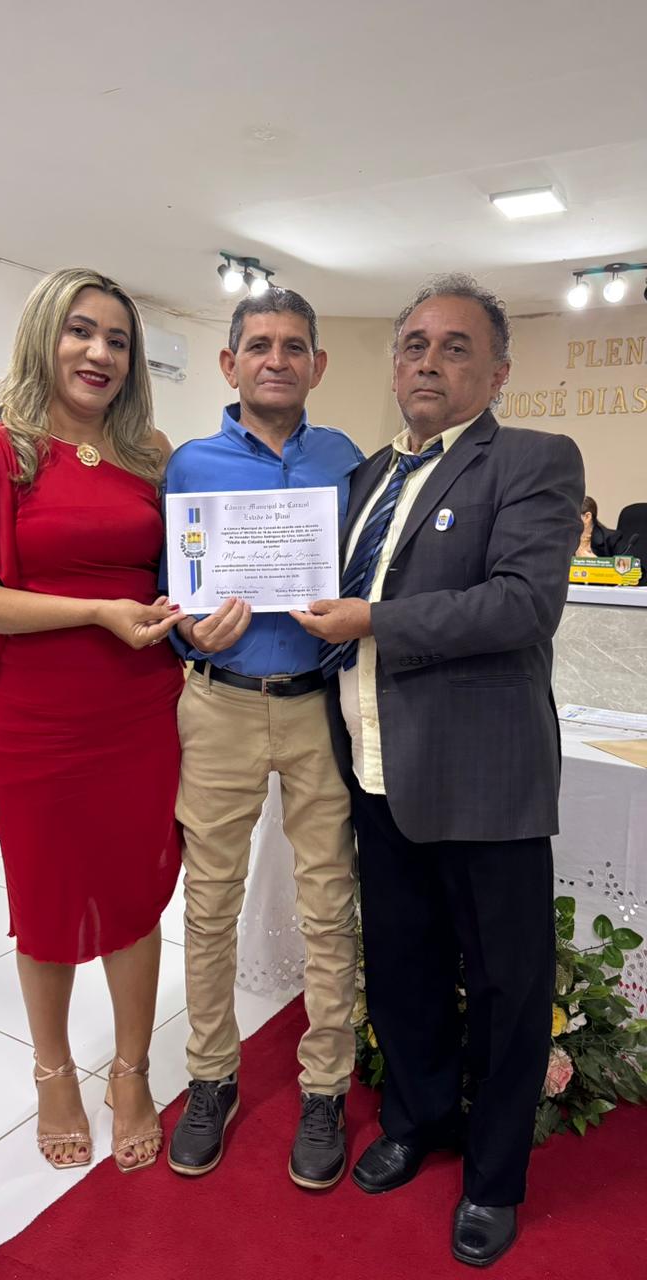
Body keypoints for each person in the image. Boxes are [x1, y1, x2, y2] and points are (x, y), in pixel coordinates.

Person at [292, 274, 584, 1265]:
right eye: (414, 344)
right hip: (376, 769)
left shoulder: (534, 459)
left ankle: (494, 1178)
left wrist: (373, 619)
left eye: (456, 347)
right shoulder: (365, 477)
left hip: (484, 781)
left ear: (497, 372)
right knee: (404, 968)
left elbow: (521, 604)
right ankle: (418, 1120)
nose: (429, 361)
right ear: (394, 365)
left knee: (506, 987)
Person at [0, 267, 186, 1174]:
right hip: (38, 718)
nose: (99, 352)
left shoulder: (150, 454)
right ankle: (52, 1073)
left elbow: (177, 573)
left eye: (117, 339)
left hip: (141, 710)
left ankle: (131, 1070)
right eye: (81, 331)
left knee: (135, 894)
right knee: (45, 901)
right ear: (45, 334)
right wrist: (93, 612)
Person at [164, 288, 362, 1189]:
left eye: (292, 346)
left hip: (320, 706)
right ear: (230, 363)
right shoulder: (191, 466)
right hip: (220, 705)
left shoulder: (346, 460)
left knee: (329, 902)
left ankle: (325, 1088)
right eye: (258, 345)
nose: (275, 360)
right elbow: (172, 588)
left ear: (317, 364)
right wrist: (187, 631)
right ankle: (211, 1076)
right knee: (210, 902)